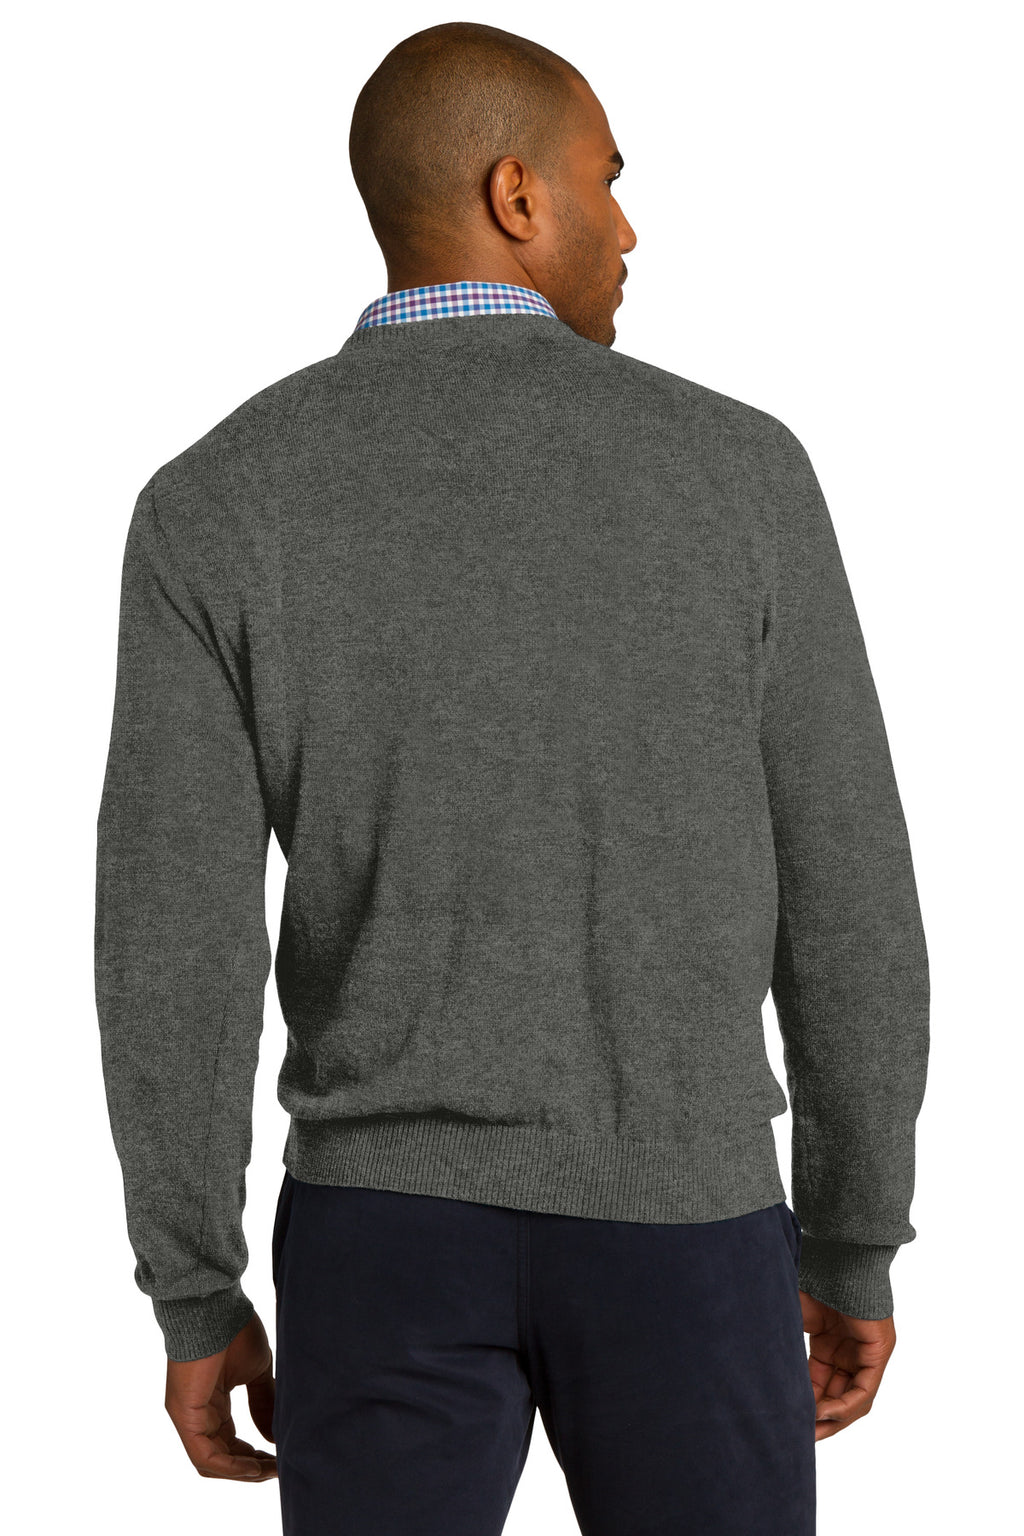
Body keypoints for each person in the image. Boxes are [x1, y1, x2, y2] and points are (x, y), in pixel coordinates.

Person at [94, 19, 930, 1535]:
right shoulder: (740, 473)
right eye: (609, 180)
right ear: (518, 196)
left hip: (378, 1241)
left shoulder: (218, 500)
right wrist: (854, 1236)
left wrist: (194, 1287)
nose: (632, 227)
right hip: (687, 1227)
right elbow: (847, 889)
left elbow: (173, 936)